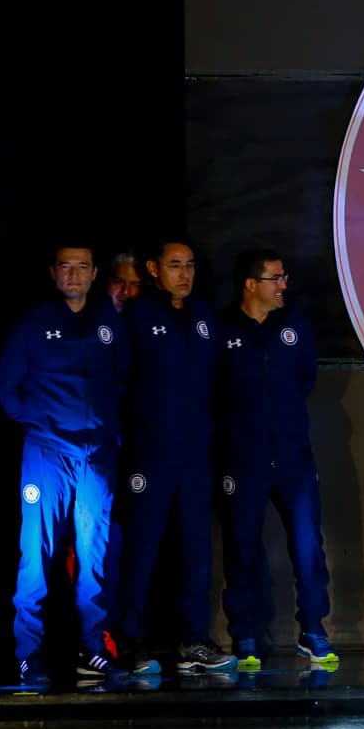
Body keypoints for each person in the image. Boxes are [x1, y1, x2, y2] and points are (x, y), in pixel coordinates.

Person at [0, 241, 130, 685]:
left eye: (83, 267)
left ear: (94, 275)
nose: (74, 275)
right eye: (66, 267)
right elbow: (7, 387)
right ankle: (28, 657)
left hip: (97, 457)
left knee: (96, 555)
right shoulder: (34, 324)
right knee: (36, 556)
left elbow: (123, 379)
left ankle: (94, 649)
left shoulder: (107, 323)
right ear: (53, 273)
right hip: (48, 456)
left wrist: (108, 429)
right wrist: (44, 424)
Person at [114, 235, 235, 674]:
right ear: (154, 269)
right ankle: (130, 640)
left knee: (196, 552)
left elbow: (218, 382)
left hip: (195, 458)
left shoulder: (204, 316)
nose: (184, 275)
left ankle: (193, 642)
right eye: (174, 266)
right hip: (151, 457)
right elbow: (120, 383)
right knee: (143, 550)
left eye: (189, 266)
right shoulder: (139, 316)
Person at [215, 249, 338, 670]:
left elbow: (305, 379)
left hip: (293, 455)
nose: (283, 285)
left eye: (284, 277)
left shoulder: (295, 325)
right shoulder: (221, 326)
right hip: (243, 458)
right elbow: (213, 390)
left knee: (308, 546)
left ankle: (313, 631)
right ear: (251, 285)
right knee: (242, 548)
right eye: (276, 278)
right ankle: (244, 636)